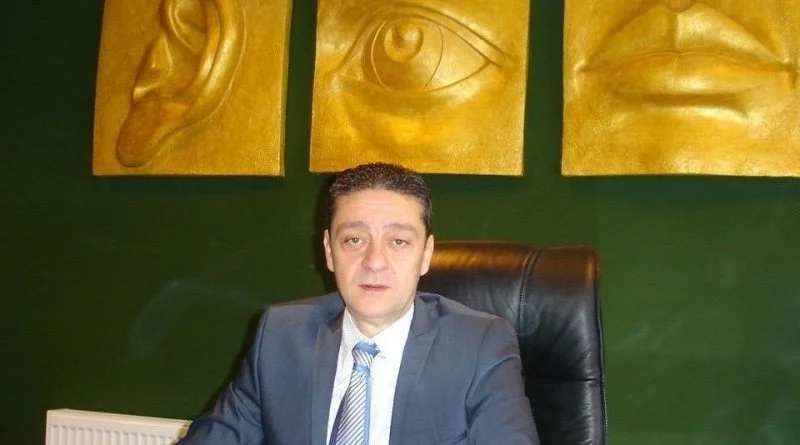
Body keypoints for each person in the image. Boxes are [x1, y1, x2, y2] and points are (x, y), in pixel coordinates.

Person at [177, 162, 539, 444]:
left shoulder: (479, 346)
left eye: (398, 241)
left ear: (426, 254)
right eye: (354, 240)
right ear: (328, 251)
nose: (374, 261)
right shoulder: (279, 336)